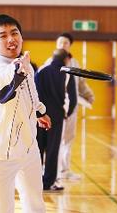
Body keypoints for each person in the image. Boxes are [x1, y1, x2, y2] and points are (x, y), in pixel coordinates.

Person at [0, 14, 51, 213]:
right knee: (2, 209)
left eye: (14, 33)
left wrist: (41, 112)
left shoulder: (25, 66)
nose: (11, 39)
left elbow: (32, 95)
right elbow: (4, 92)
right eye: (3, 36)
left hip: (29, 148)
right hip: (0, 154)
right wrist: (18, 69)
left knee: (36, 205)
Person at [40, 32, 94, 181]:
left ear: (70, 46)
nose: (63, 45)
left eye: (65, 43)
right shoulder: (49, 63)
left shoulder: (74, 63)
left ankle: (64, 170)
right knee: (51, 141)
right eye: (60, 43)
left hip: (70, 108)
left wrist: (89, 95)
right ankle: (50, 171)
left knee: (68, 139)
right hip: (54, 109)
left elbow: (80, 83)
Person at [35, 49, 74, 192]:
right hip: (57, 117)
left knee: (38, 148)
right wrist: (66, 113)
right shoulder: (66, 73)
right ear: (65, 60)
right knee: (53, 150)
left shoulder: (41, 70)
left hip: (40, 116)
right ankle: (48, 182)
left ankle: (35, 181)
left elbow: (34, 93)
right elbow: (70, 97)